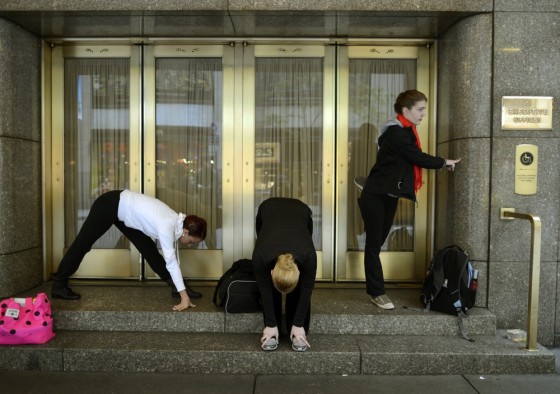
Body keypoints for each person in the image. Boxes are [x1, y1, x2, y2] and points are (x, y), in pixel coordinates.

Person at [358, 89, 461, 310]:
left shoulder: (405, 131)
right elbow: (416, 157)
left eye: (424, 109)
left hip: (387, 194)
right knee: (374, 245)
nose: (423, 114)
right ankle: (377, 293)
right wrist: (444, 162)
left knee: (377, 243)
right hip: (375, 195)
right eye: (420, 109)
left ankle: (376, 290)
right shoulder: (398, 134)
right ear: (406, 110)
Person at [51, 189, 207, 312]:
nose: (190, 245)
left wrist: (181, 290)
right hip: (109, 204)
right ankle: (59, 284)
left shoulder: (178, 223)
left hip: (125, 214)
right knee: (83, 243)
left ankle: (175, 286)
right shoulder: (167, 224)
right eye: (192, 241)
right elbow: (171, 262)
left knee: (149, 250)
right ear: (186, 231)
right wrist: (185, 298)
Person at [251, 198, 317, 352]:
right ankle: (273, 331)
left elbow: (307, 291)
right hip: (268, 209)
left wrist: (299, 323)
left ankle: (297, 331)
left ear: (299, 272)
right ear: (272, 271)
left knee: (299, 289)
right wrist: (270, 324)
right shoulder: (260, 256)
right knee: (270, 288)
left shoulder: (308, 256)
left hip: (301, 212)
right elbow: (265, 290)